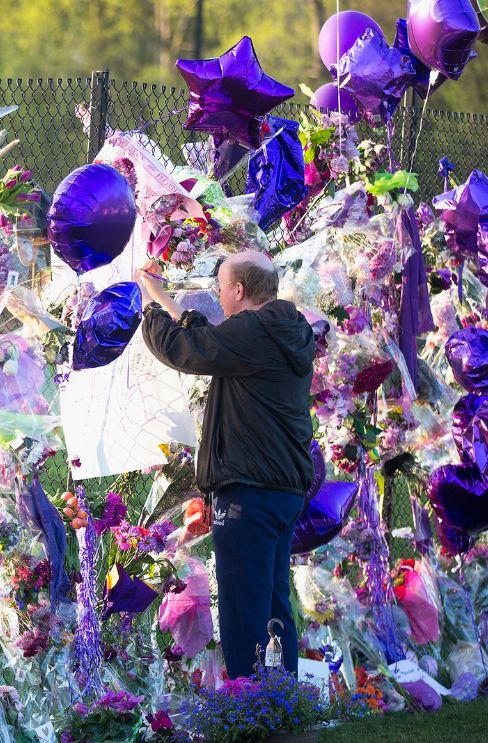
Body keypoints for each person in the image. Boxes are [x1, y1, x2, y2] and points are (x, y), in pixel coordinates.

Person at [135, 251, 315, 678]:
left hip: (249, 491)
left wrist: (146, 310)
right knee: (272, 602)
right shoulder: (283, 329)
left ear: (238, 290)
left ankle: (248, 703)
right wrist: (163, 297)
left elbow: (188, 350)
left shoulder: (254, 332)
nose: (217, 292)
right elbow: (211, 339)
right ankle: (280, 699)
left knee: (242, 608)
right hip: (280, 490)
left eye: (221, 284)